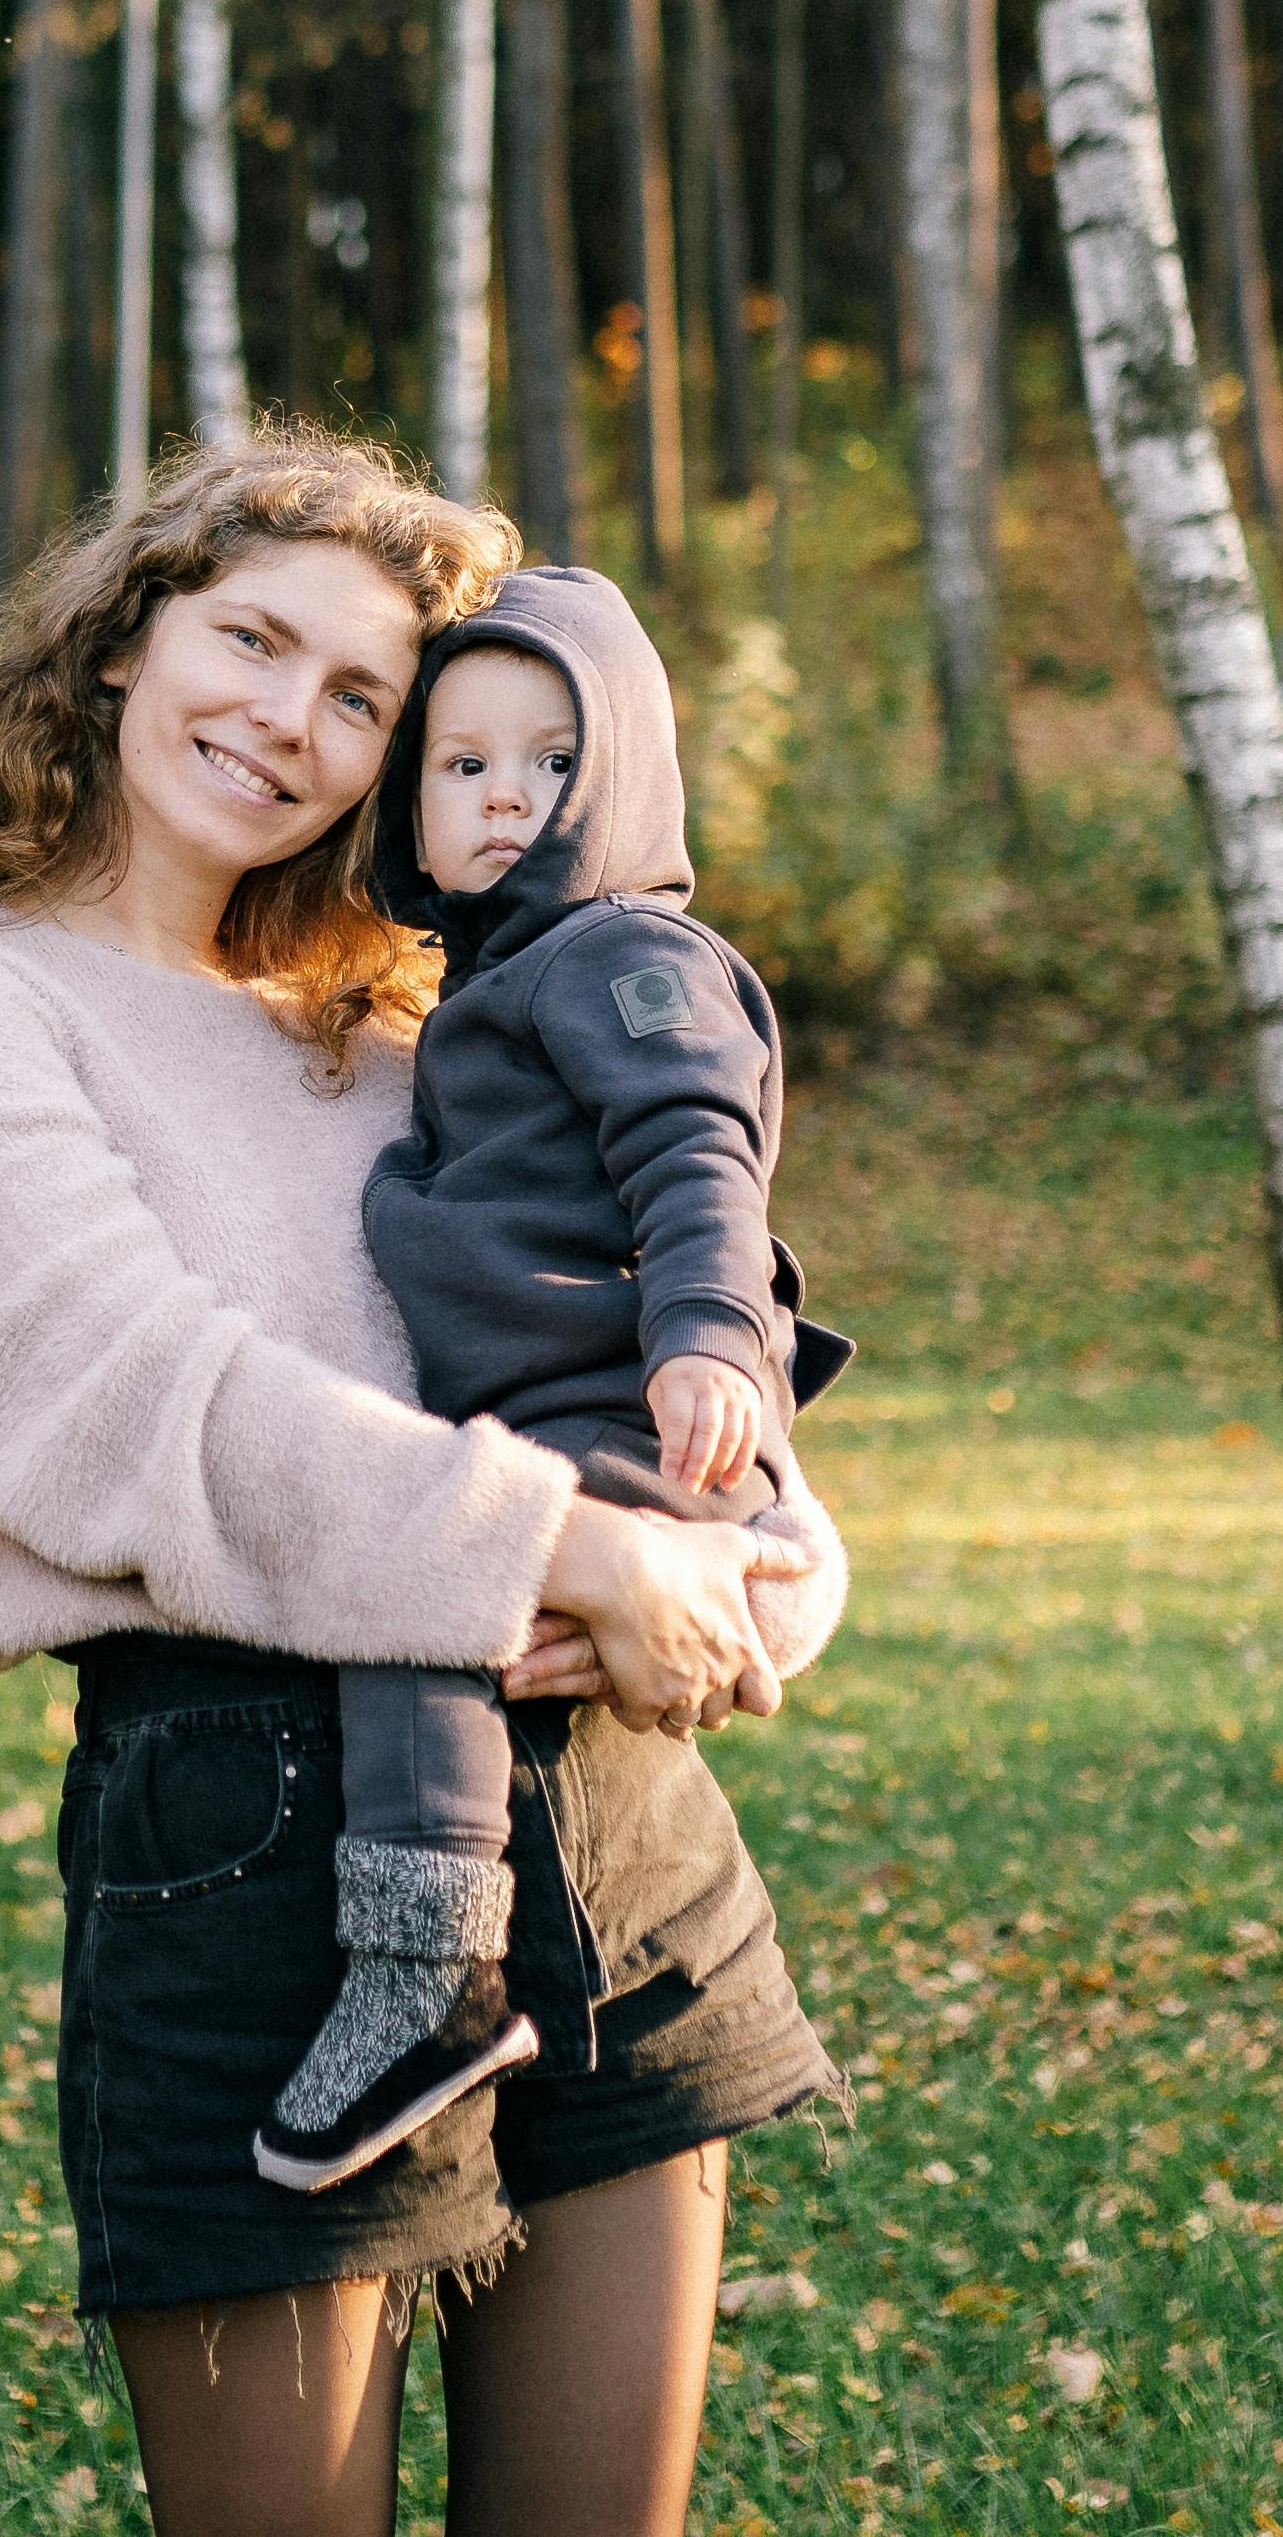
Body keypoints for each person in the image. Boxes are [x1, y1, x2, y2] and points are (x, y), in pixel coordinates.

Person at [0, 430, 847, 2537]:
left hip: (612, 1817)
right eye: (252, 640)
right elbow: (114, 1394)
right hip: (258, 1837)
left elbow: (665, 1320)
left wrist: (757, 1574)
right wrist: (569, 1549)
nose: (289, 718)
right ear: (124, 643)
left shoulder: (409, 1030)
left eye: (361, 694)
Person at [259, 564, 845, 2194]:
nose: (507, 796)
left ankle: (427, 1968)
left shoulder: (622, 956)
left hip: (620, 1401)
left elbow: (696, 1149)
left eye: (554, 760)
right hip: (549, 1404)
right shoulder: (497, 983)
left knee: (425, 1586)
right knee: (446, 1575)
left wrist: (710, 1336)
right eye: (463, 765)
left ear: (626, 781)